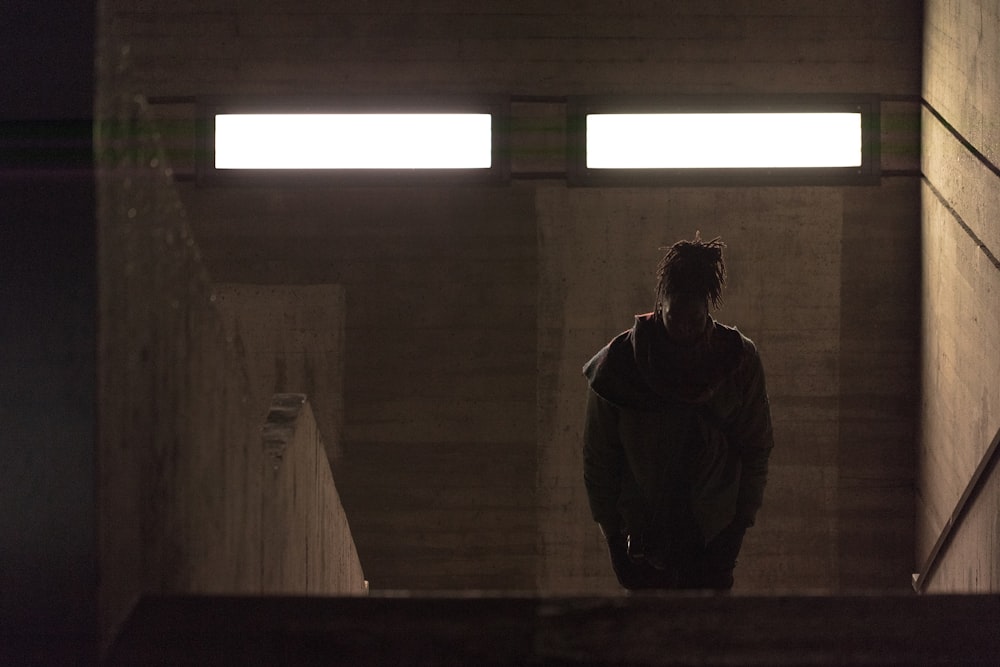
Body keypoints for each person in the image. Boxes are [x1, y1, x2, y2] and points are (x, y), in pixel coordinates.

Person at [582, 233, 773, 591]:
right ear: (660, 307)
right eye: (675, 317)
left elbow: (756, 446)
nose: (685, 328)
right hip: (643, 536)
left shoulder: (737, 360)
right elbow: (599, 457)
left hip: (711, 532)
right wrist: (612, 536)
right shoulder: (620, 365)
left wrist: (738, 528)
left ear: (707, 311)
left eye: (695, 318)